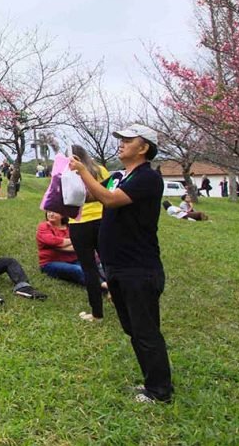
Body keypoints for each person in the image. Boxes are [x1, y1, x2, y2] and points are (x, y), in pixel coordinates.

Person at [69, 123, 173, 404]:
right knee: (132, 330)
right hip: (117, 266)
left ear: (144, 147)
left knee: (145, 331)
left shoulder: (148, 178)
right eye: (121, 139)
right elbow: (92, 195)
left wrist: (82, 172)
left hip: (138, 267)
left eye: (129, 139)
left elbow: (109, 200)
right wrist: (73, 178)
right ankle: (151, 383)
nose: (121, 143)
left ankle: (160, 392)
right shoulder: (118, 176)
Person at [68, 145, 111, 323]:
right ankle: (118, 297)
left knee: (89, 268)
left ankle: (97, 314)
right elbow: (109, 193)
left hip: (79, 223)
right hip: (102, 220)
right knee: (109, 263)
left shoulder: (68, 173)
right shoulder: (100, 170)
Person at [36, 211, 84, 285]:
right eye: (49, 211)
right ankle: (103, 286)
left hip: (74, 259)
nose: (51, 214)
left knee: (92, 267)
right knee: (77, 270)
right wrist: (73, 240)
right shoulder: (44, 226)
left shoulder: (70, 226)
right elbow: (52, 241)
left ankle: (106, 283)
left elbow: (81, 243)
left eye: (54, 212)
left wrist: (59, 246)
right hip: (50, 263)